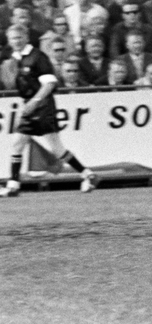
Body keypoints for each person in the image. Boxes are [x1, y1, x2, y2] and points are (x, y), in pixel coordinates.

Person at [2, 24, 99, 196]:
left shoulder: (38, 57)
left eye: (18, 37)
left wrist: (34, 101)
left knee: (35, 145)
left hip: (42, 105)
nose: (16, 41)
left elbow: (49, 84)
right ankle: (87, 175)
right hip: (33, 105)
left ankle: (13, 185)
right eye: (12, 38)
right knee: (35, 146)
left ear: (26, 38)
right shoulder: (16, 59)